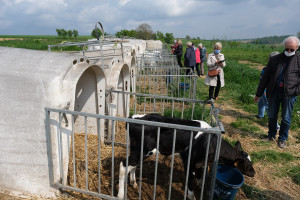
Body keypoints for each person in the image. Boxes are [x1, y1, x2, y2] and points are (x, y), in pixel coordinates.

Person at [254, 36, 300, 148]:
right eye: (287, 49)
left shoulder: (299, 60)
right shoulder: (275, 59)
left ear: (297, 48)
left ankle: (283, 139)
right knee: (271, 116)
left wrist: (296, 91)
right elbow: (265, 77)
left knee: (286, 118)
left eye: (292, 50)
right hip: (274, 92)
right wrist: (258, 94)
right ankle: (271, 135)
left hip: (289, 94)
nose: (289, 51)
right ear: (284, 47)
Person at [256, 51, 280, 129]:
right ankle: (260, 115)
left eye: (270, 59)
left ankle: (275, 125)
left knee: (269, 107)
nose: (269, 60)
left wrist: (266, 90)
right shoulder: (267, 68)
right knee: (261, 103)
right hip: (263, 90)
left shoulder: (276, 70)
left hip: (268, 91)